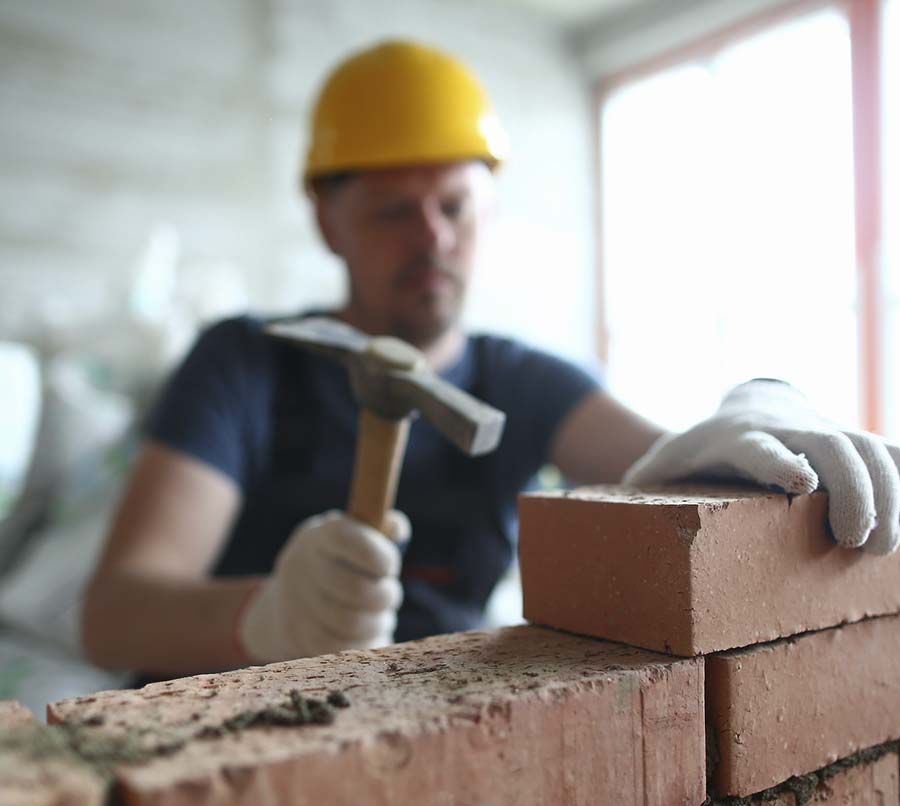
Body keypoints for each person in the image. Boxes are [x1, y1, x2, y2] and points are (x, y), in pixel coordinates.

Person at [81, 40, 900, 678]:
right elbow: (112, 613)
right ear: (328, 222)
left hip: (428, 727)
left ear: (490, 208)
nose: (432, 237)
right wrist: (264, 620)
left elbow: (674, 466)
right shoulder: (243, 363)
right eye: (393, 211)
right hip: (220, 727)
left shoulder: (529, 382)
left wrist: (755, 408)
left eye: (453, 206)